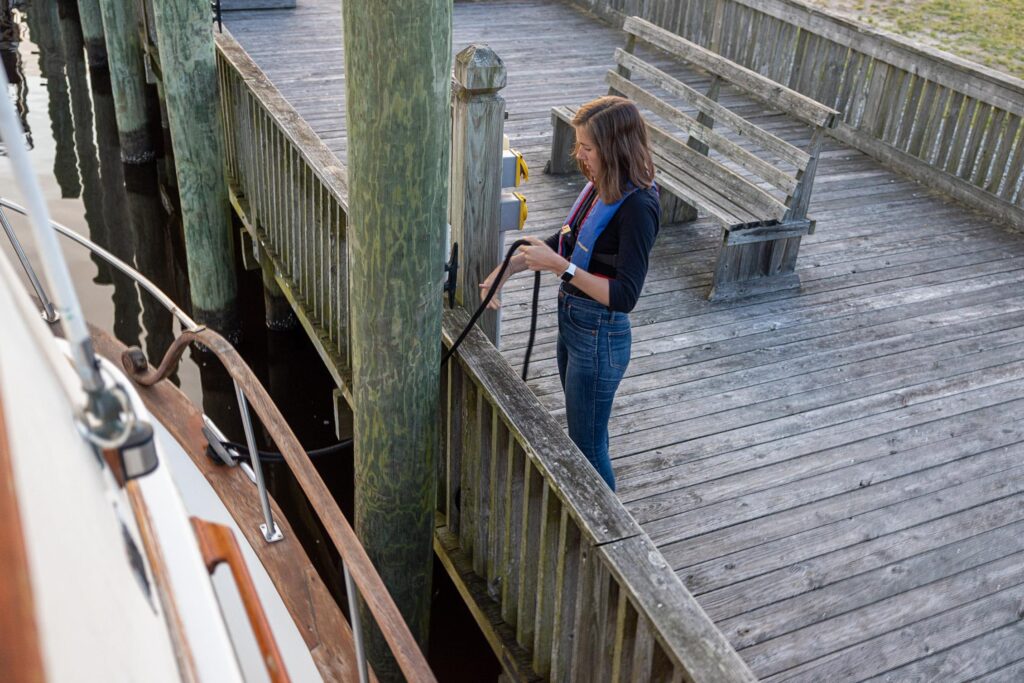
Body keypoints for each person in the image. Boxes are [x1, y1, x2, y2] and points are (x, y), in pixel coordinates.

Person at [480, 96, 660, 491]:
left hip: (600, 339)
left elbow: (626, 295)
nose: (577, 154)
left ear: (615, 148)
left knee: (587, 449)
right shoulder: (602, 184)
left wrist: (563, 269)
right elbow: (565, 244)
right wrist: (505, 270)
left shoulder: (639, 207)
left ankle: (605, 542)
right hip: (575, 327)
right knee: (588, 433)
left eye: (587, 147)